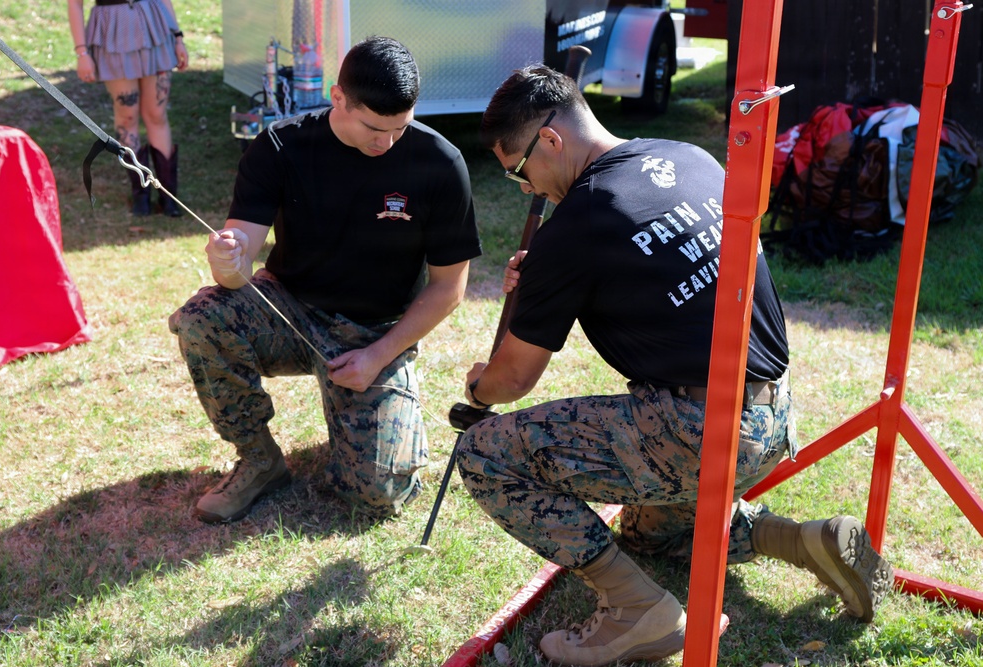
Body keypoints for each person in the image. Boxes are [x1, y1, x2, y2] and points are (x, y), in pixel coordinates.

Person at [456, 64, 894, 667]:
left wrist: (478, 382)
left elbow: (510, 381)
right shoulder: (690, 157)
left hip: (701, 427)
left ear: (550, 141)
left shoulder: (577, 222)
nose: (527, 188)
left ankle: (639, 612)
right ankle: (799, 538)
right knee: (643, 535)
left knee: (485, 452)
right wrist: (545, 287)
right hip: (774, 412)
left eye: (518, 171)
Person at [168, 36, 481, 525]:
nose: (388, 142)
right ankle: (258, 459)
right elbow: (239, 259)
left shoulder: (440, 162)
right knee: (202, 318)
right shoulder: (281, 146)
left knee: (379, 495)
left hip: (374, 331)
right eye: (374, 127)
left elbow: (449, 287)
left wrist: (380, 355)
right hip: (288, 310)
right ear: (338, 98)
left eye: (400, 126)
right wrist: (226, 258)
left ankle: (373, 422)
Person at [68, 0, 188, 216]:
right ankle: (140, 195)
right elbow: (75, 4)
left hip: (154, 26)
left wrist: (178, 37)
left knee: (157, 114)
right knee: (127, 117)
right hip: (112, 31)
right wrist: (82, 53)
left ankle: (168, 196)